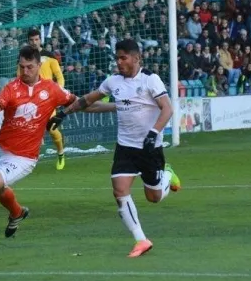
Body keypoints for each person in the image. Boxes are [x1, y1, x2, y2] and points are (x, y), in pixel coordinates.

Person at [0, 46, 112, 244]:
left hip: (24, 157)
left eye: (29, 67)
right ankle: (17, 213)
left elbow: (83, 104)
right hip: (0, 151)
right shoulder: (11, 89)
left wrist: (116, 107)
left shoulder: (52, 89)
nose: (25, 71)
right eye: (22, 67)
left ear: (39, 65)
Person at [48, 39, 181, 258]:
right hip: (125, 147)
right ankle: (141, 239)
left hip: (149, 148)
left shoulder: (150, 79)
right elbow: (87, 100)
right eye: (117, 58)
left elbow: (167, 108)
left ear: (136, 58)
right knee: (119, 190)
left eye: (123, 58)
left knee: (154, 197)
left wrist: (153, 132)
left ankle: (167, 175)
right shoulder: (113, 82)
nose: (119, 62)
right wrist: (63, 113)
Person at [22, 28, 68, 170]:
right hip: (30, 98)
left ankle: (60, 154)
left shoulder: (49, 56)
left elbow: (59, 77)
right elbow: (19, 77)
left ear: (40, 40)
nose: (34, 42)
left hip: (47, 98)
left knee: (52, 129)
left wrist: (57, 92)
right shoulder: (24, 57)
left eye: (36, 39)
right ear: (28, 41)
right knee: (26, 129)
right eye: (31, 40)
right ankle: (25, 159)